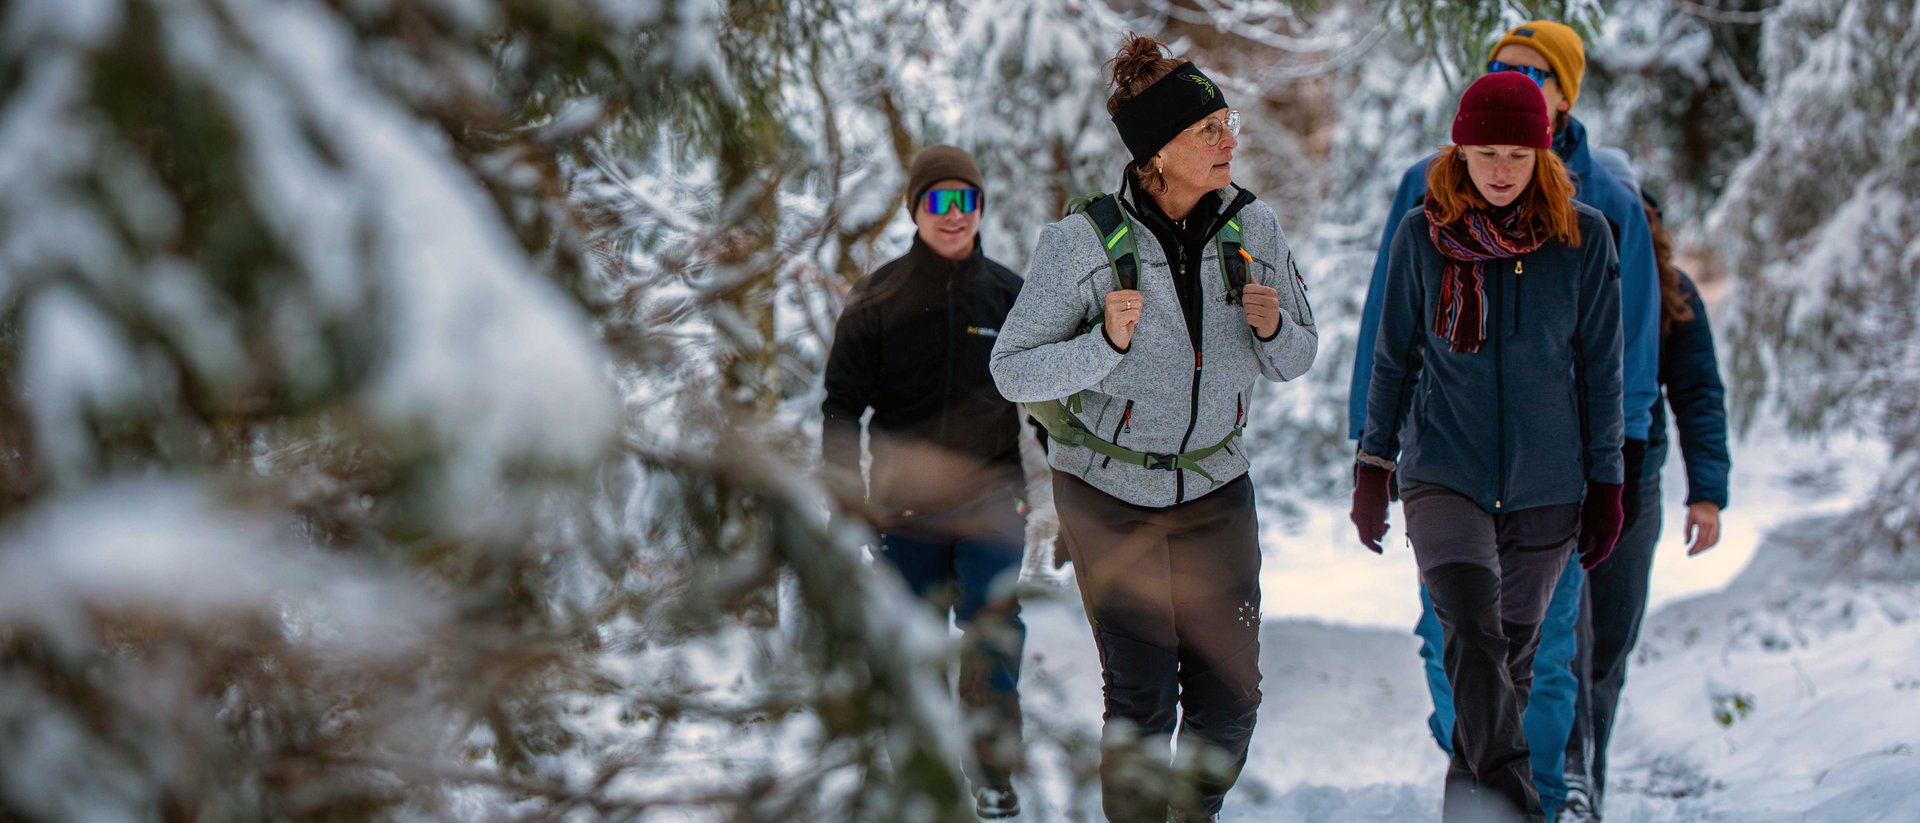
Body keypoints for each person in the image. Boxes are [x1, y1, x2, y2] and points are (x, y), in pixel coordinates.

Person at [990, 34, 1317, 823]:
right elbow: (1012, 368)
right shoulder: (1081, 244)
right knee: (1141, 695)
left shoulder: (1254, 228)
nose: (1228, 140)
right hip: (1107, 493)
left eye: (1226, 123)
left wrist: (1273, 330)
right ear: (1156, 154)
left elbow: (1299, 357)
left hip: (1215, 483)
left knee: (1232, 698)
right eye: (1207, 130)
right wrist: (1102, 344)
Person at [1344, 20, 1661, 817]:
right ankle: (1517, 804)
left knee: (1523, 662)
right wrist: (1372, 461)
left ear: (1548, 139)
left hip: (1548, 484)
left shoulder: (1592, 228)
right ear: (1459, 151)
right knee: (1468, 643)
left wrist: (1609, 480)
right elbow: (1392, 348)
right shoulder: (1425, 224)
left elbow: (1609, 365)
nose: (1499, 170)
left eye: (1516, 156)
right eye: (1484, 154)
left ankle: (1506, 801)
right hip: (1444, 472)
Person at [820, 145, 1030, 819]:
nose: (953, 214)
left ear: (980, 209)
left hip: (994, 499)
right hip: (903, 508)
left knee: (990, 634)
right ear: (915, 209)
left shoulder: (1007, 294)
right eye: (938, 200)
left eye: (966, 200)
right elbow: (840, 405)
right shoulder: (877, 296)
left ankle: (993, 778)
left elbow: (1048, 402)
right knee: (912, 648)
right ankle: (925, 777)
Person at [1562, 188, 1732, 821]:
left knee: (1609, 642)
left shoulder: (1673, 294)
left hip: (1636, 479)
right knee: (1559, 642)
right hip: (1558, 480)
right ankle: (1564, 777)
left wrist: (1708, 493)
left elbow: (1699, 394)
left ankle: (1587, 787)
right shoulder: (1565, 273)